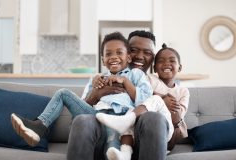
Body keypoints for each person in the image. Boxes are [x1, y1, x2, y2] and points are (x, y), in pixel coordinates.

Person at [10, 31, 153, 158]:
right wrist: (96, 94)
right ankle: (39, 126)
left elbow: (146, 99)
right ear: (103, 60)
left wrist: (126, 82)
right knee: (63, 93)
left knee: (112, 147)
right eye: (108, 54)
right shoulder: (97, 79)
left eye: (119, 52)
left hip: (120, 118)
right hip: (96, 117)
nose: (113, 57)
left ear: (128, 58)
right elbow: (84, 106)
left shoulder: (135, 75)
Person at [67, 30, 189, 160]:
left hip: (144, 145)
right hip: (101, 139)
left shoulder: (157, 84)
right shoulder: (102, 79)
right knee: (82, 120)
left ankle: (125, 147)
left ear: (153, 59)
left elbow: (171, 138)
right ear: (127, 53)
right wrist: (95, 95)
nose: (139, 56)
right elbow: (78, 113)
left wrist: (164, 105)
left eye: (147, 53)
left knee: (154, 118)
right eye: (134, 50)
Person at [95, 43, 190, 160]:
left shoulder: (183, 91)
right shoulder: (150, 79)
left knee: (155, 100)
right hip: (140, 128)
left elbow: (177, 116)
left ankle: (127, 119)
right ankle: (125, 153)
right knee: (131, 109)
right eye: (161, 61)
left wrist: (160, 99)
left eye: (172, 61)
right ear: (154, 68)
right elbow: (141, 95)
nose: (166, 64)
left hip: (167, 130)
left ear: (180, 67)